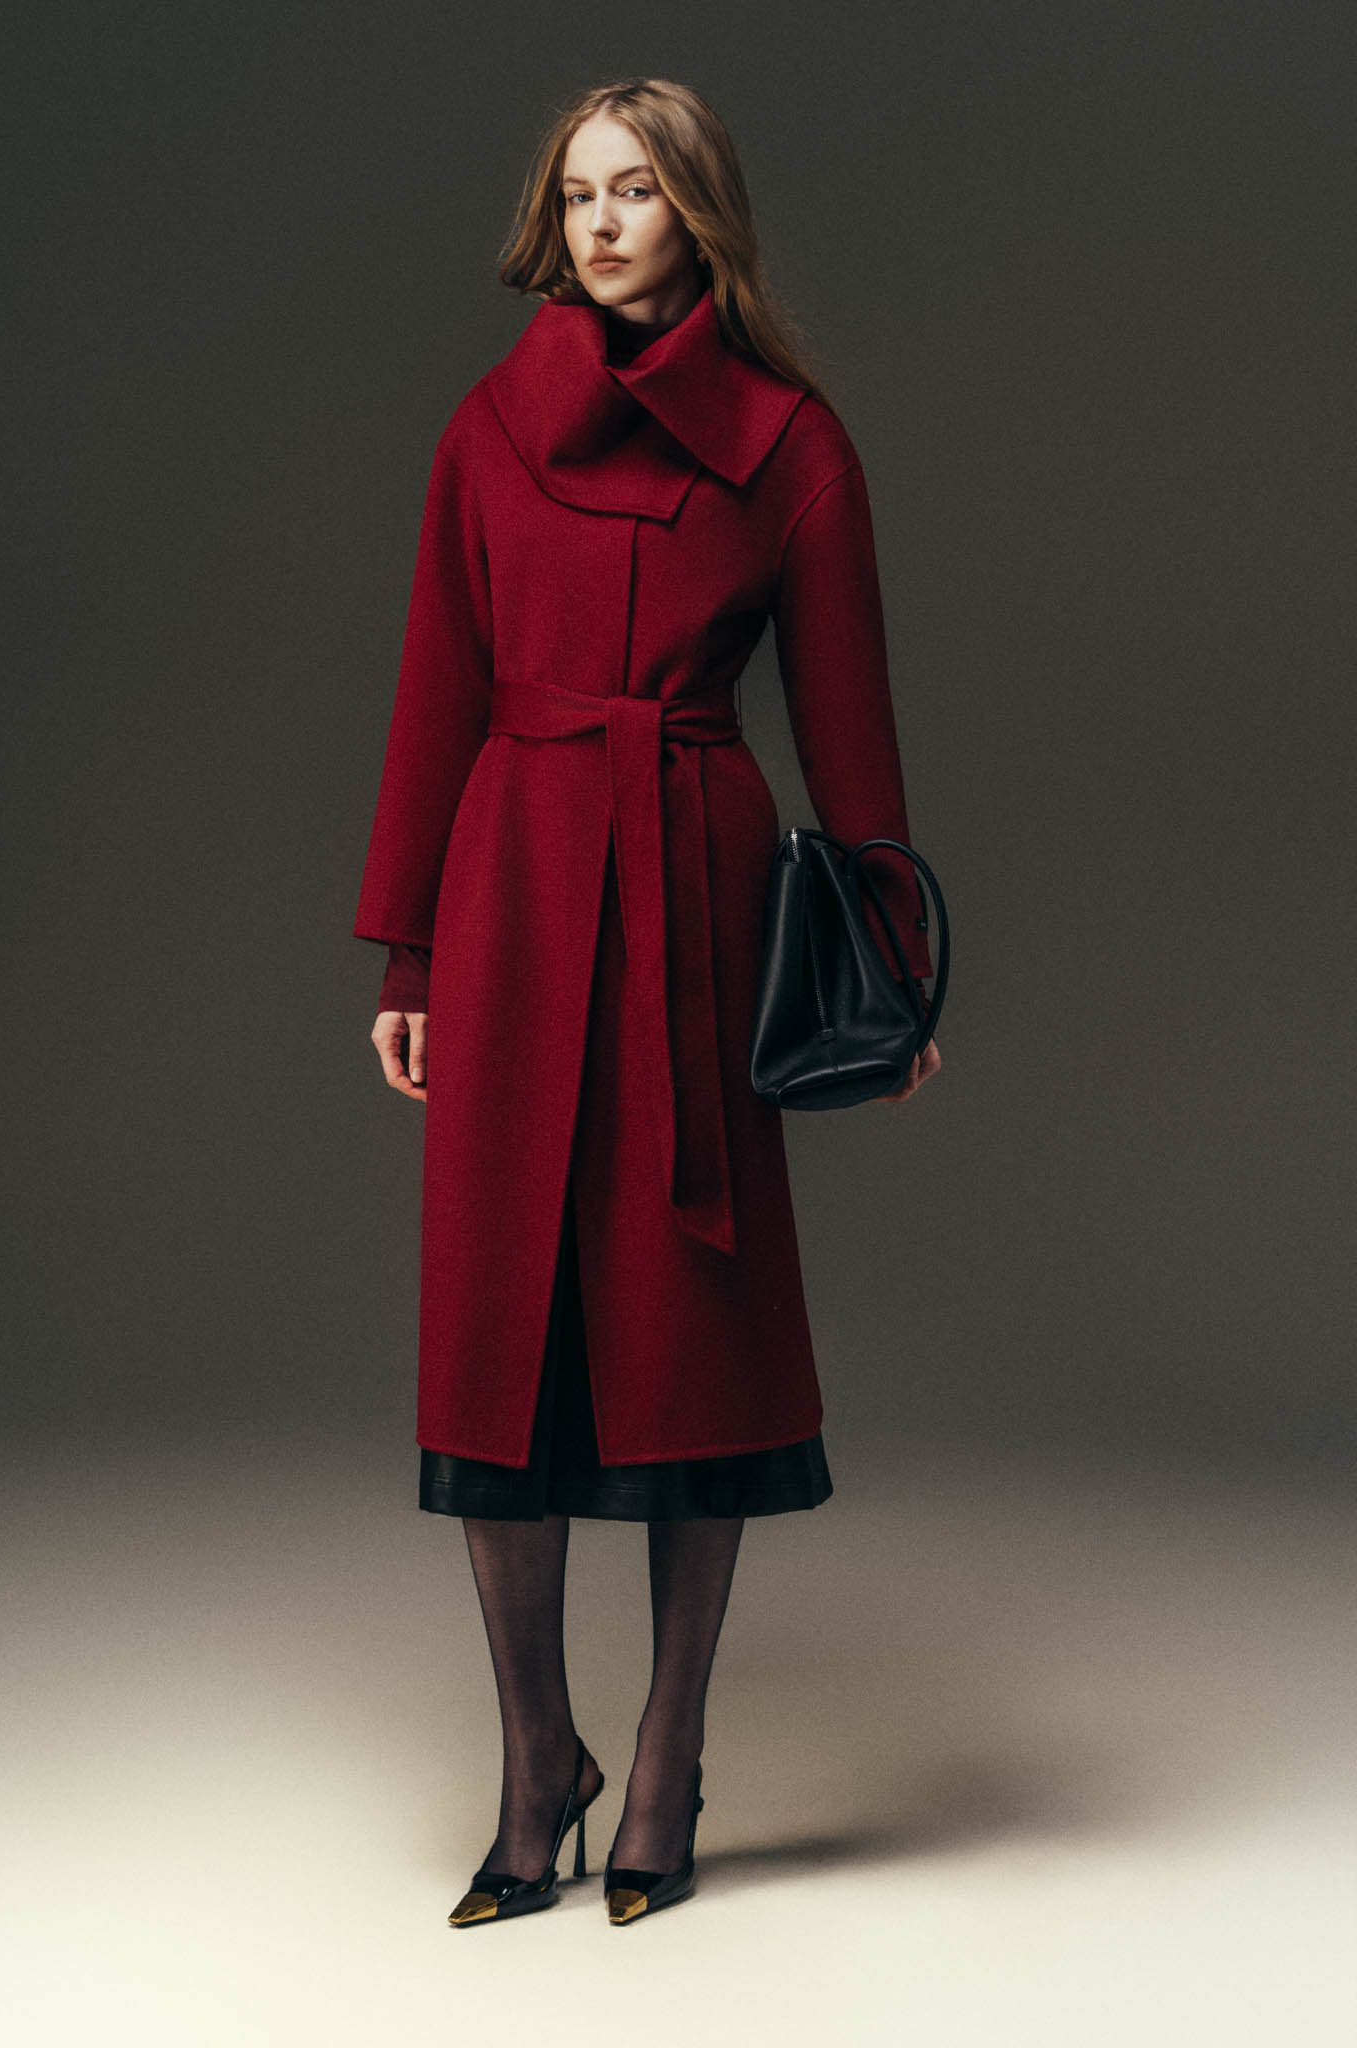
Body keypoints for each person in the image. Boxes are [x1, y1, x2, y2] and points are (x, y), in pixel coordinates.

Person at [353, 77, 942, 1928]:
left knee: (690, 1330)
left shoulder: (790, 446)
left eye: (636, 192)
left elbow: (849, 726)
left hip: (693, 893)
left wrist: (893, 972)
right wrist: (411, 953)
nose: (600, 225)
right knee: (500, 1326)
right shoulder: (489, 428)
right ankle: (539, 1759)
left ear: (702, 212)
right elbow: (439, 685)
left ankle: (668, 1757)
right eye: (577, 195)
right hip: (516, 883)